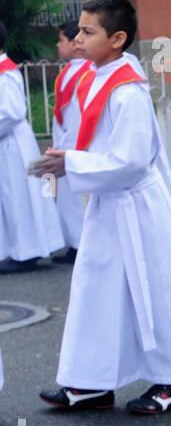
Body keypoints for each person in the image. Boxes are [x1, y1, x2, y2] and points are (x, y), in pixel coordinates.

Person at [33, 0, 171, 414]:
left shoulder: (128, 91)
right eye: (78, 30)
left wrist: (74, 163)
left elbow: (133, 162)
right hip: (106, 203)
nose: (78, 39)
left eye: (87, 32)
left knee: (159, 289)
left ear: (117, 39)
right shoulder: (97, 75)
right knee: (96, 291)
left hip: (136, 207)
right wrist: (65, 159)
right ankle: (91, 382)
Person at [0, 22, 64, 273]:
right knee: (12, 197)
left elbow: (12, 112)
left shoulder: (6, 73)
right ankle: (18, 249)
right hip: (7, 143)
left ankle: (25, 253)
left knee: (17, 197)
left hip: (11, 145)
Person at [50, 20, 92, 264]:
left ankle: (80, 245)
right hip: (66, 142)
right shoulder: (72, 71)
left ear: (75, 44)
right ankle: (74, 242)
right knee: (68, 198)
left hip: (73, 144)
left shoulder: (83, 72)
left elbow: (76, 113)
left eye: (61, 40)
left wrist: (66, 147)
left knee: (77, 197)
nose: (57, 45)